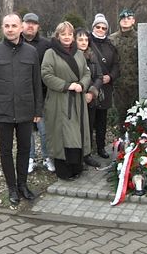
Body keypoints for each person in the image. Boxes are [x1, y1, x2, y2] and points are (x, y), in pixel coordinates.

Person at [0, 13, 42, 205]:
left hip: (25, 110)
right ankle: (12, 188)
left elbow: (36, 84)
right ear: (2, 28)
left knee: (24, 149)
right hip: (2, 111)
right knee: (5, 151)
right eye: (6, 26)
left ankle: (23, 184)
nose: (10, 29)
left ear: (21, 28)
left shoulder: (31, 52)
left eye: (14, 26)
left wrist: (38, 110)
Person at [42, 22, 92, 180]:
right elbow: (46, 75)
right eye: (63, 34)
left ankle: (76, 167)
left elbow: (86, 73)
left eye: (69, 34)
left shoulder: (78, 54)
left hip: (77, 100)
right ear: (57, 36)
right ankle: (64, 170)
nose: (67, 37)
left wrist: (82, 85)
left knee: (77, 133)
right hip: (59, 100)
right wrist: (67, 85)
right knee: (62, 134)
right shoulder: (50, 53)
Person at [21, 12, 55, 174]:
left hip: (42, 95)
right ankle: (30, 158)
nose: (30, 26)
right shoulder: (16, 43)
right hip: (22, 96)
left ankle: (48, 157)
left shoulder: (45, 45)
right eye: (27, 22)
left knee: (44, 130)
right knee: (27, 131)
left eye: (33, 23)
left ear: (38, 26)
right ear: (22, 24)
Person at [89, 13, 120, 159]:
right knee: (89, 120)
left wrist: (111, 76)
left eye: (103, 28)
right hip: (91, 86)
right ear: (93, 27)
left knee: (102, 121)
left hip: (105, 88)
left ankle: (101, 147)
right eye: (98, 27)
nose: (100, 29)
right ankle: (87, 150)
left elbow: (116, 65)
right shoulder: (87, 42)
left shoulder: (110, 45)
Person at [76, 27, 103, 168]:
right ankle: (77, 156)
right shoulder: (71, 56)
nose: (83, 42)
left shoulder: (92, 55)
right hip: (75, 98)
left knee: (89, 127)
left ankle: (87, 155)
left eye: (86, 39)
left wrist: (92, 93)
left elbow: (99, 76)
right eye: (80, 39)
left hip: (90, 99)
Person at [110, 9, 138, 124]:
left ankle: (137, 141)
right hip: (118, 85)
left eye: (128, 18)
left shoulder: (140, 38)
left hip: (136, 85)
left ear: (133, 21)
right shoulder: (112, 39)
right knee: (121, 116)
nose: (125, 20)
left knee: (137, 117)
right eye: (123, 18)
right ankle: (122, 141)